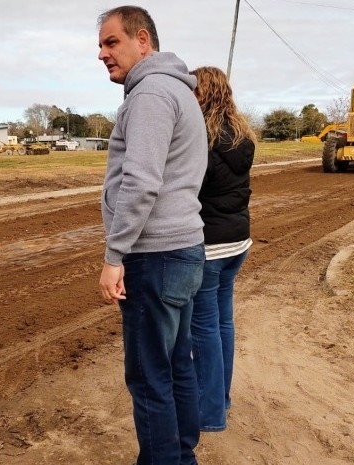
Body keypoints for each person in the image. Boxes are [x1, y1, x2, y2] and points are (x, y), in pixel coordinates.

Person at [96, 6, 208, 465]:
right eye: (100, 46)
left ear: (143, 40)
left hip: (154, 255)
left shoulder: (150, 95)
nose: (103, 54)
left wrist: (114, 253)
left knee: (148, 377)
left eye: (111, 42)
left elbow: (141, 182)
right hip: (182, 251)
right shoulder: (177, 92)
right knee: (177, 363)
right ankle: (183, 455)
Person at [187, 66, 256, 432]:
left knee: (204, 329)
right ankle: (222, 398)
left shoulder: (203, 137)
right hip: (238, 242)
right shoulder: (243, 135)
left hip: (210, 246)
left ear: (202, 94)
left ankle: (210, 413)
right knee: (222, 323)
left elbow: (191, 191)